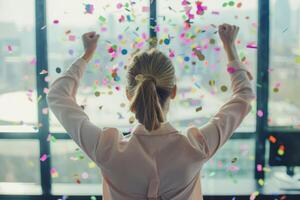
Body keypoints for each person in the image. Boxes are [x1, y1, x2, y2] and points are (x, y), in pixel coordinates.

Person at [47, 24, 255, 200]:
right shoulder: (196, 147)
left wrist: (86, 55)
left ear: (130, 94)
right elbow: (244, 97)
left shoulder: (106, 149)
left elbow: (57, 96)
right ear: (173, 91)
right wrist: (230, 47)